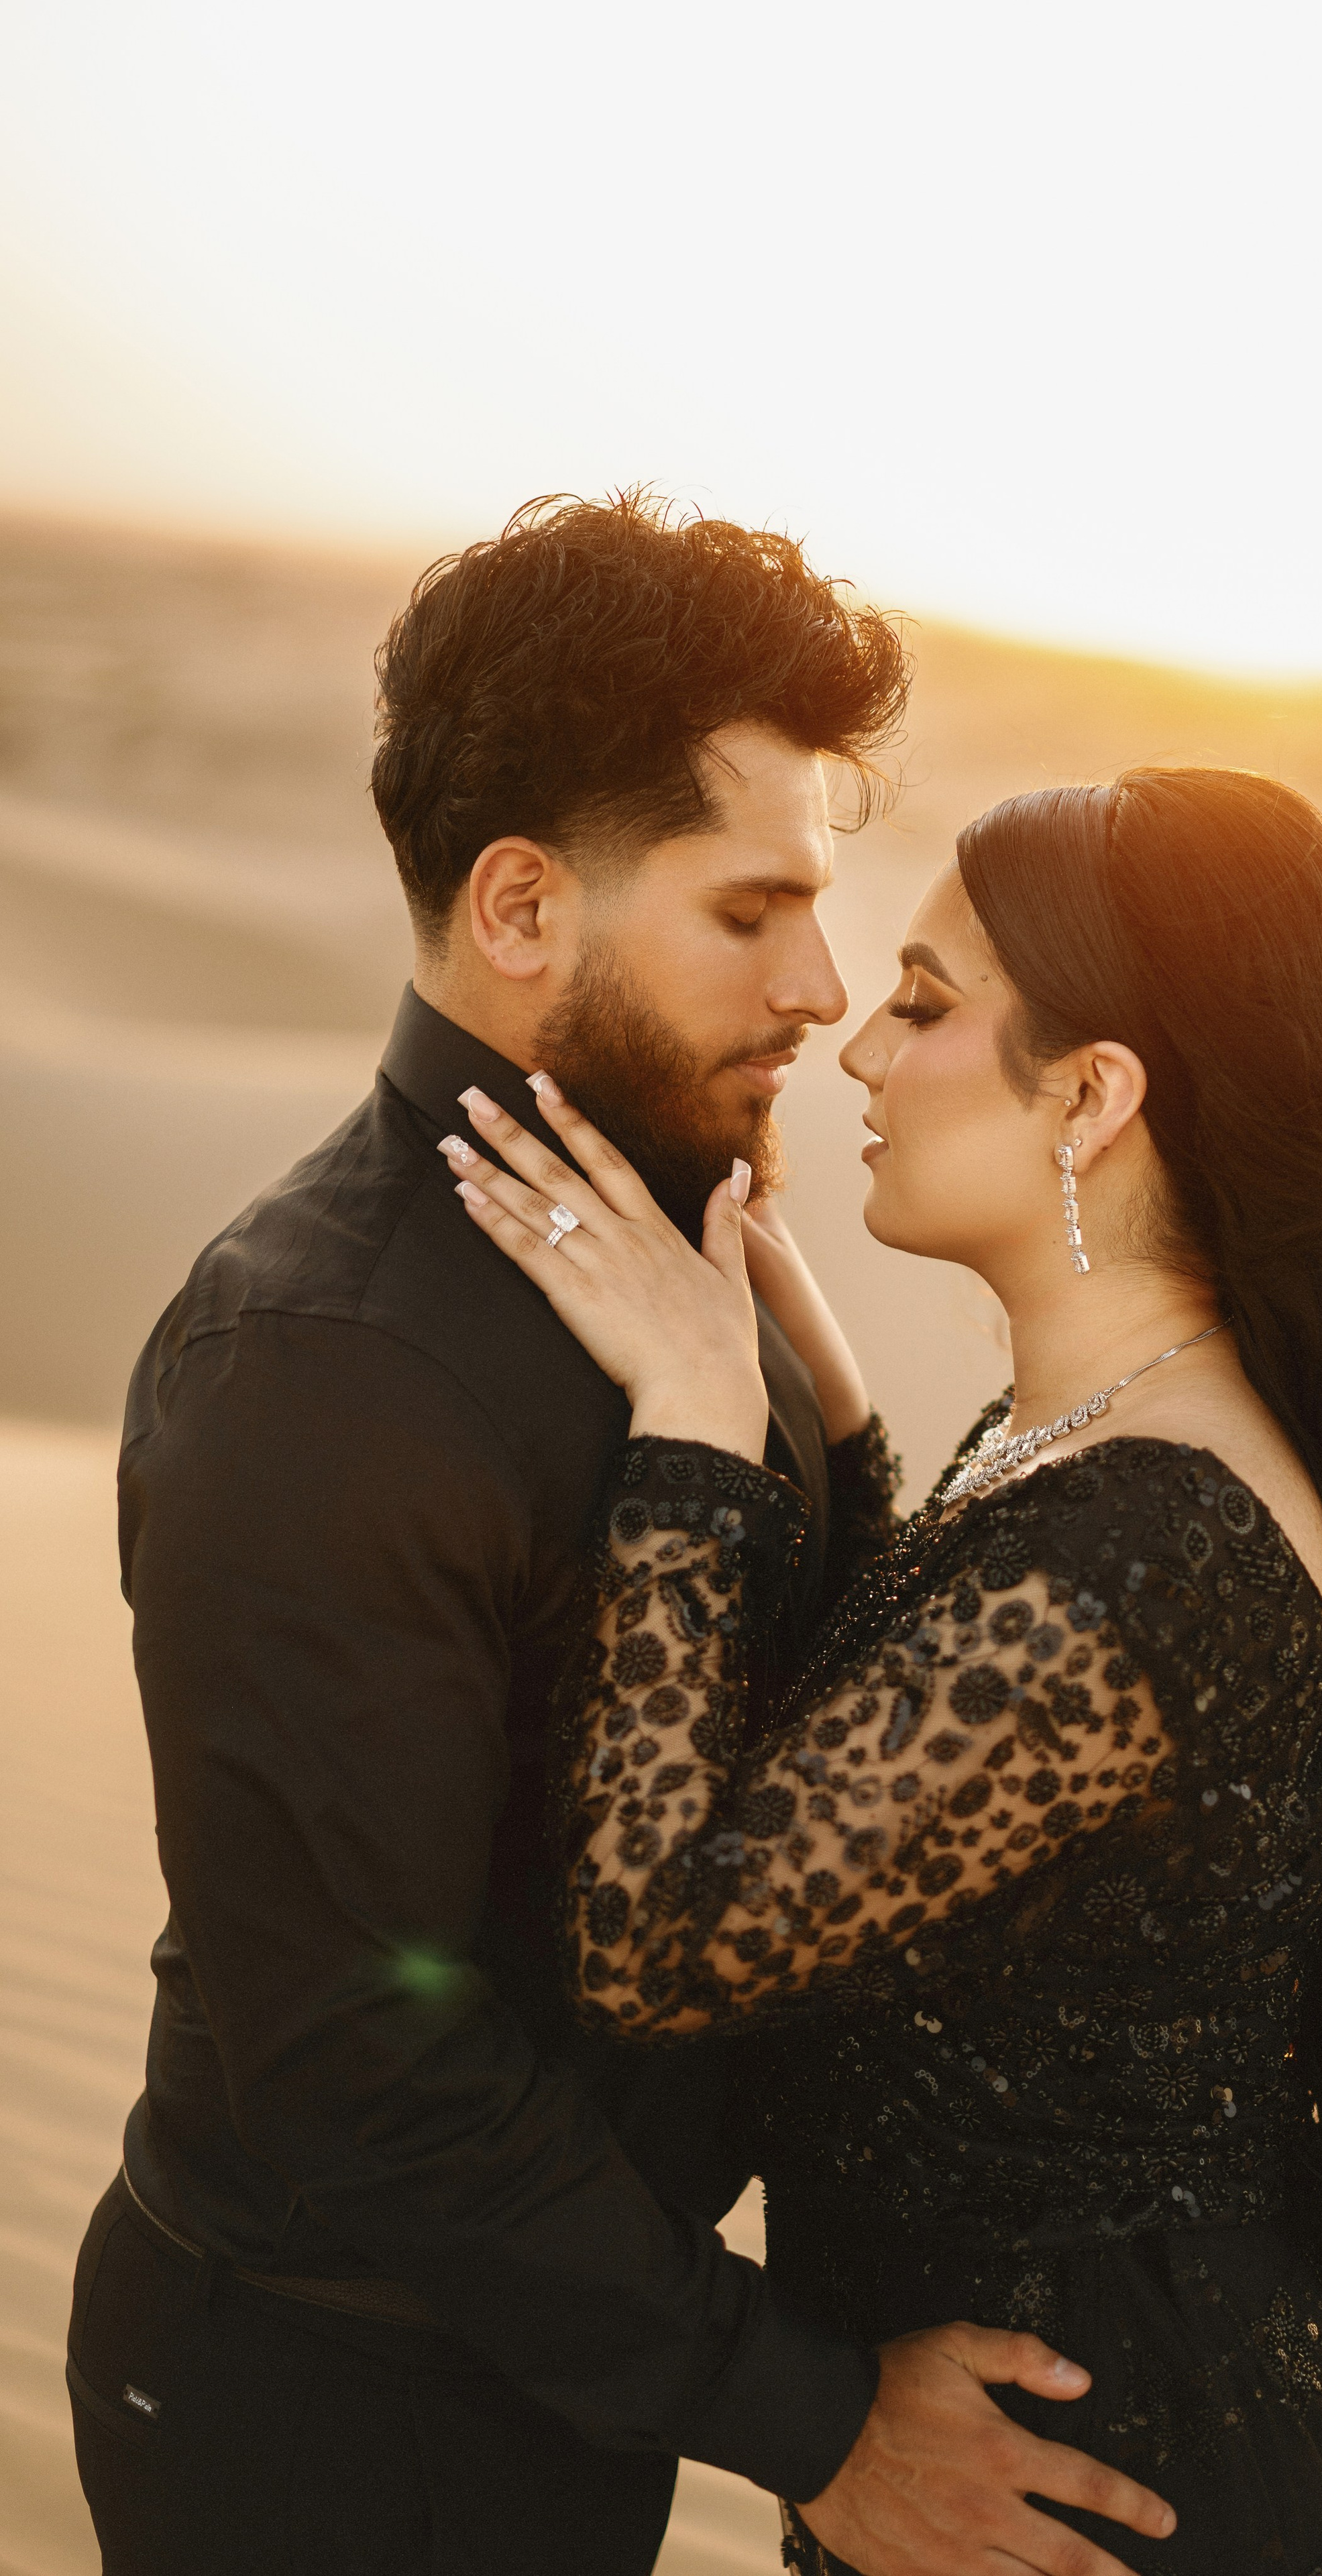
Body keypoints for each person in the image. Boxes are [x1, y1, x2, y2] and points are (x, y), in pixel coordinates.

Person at [68, 497, 1174, 2575]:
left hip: (573, 2386)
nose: (822, 983)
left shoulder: (693, 1261)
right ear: (518, 908)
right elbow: (362, 2071)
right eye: (750, 909)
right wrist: (823, 2419)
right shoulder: (323, 1367)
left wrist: (822, 1416)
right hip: (321, 2429)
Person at [447, 763, 1322, 2572]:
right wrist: (849, 1436)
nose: (862, 1055)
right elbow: (950, 1775)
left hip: (1120, 2498)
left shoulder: (1157, 1543)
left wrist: (693, 1440)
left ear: (1097, 1094)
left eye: (928, 1003)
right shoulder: (1095, 1452)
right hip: (1038, 2457)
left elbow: (663, 1948)